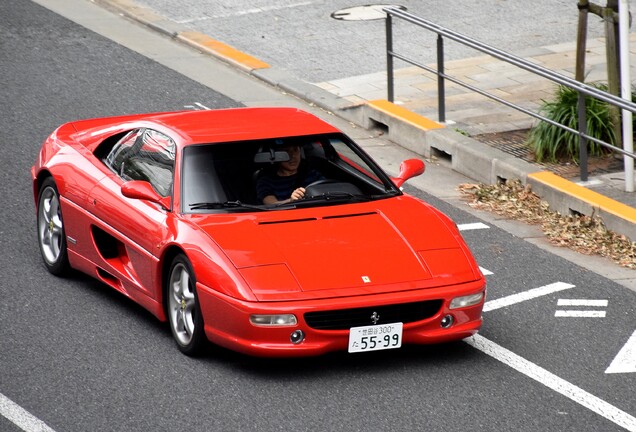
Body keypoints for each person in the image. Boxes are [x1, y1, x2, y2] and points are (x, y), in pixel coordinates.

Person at [256, 144, 323, 205]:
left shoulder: (313, 175)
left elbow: (328, 191)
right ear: (276, 155)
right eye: (286, 151)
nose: (293, 156)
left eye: (295, 150)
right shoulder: (266, 182)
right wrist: (291, 200)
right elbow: (272, 204)